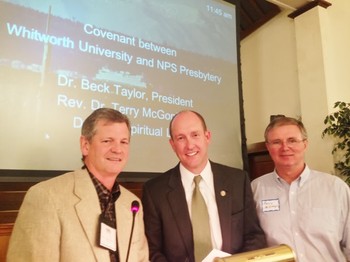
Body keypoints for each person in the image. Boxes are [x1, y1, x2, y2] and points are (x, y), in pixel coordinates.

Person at [7, 108, 149, 262]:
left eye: (124, 142)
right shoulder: (46, 196)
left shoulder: (132, 204)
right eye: (107, 141)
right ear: (85, 145)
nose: (117, 149)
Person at [142, 110, 266, 262]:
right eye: (181, 138)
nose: (189, 145)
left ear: (207, 137)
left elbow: (254, 236)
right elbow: (152, 250)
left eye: (195, 135)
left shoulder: (237, 181)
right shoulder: (155, 191)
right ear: (172, 145)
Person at [251, 116, 350, 262]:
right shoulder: (255, 189)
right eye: (276, 142)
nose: (285, 147)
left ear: (305, 144)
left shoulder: (335, 188)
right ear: (268, 147)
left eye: (292, 140)